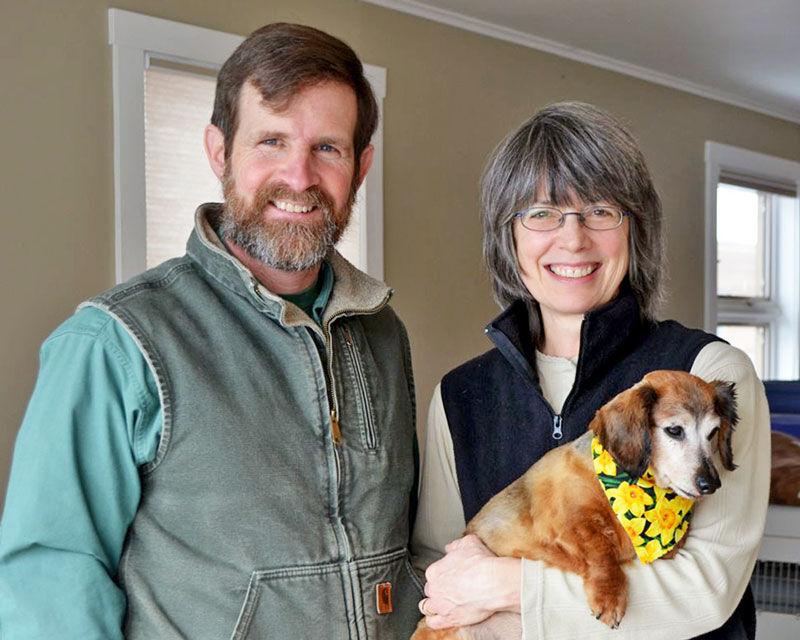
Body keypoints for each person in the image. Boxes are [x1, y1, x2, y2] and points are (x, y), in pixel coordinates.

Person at [0, 23, 423, 639]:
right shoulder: (114, 343)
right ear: (219, 151)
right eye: (271, 141)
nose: (299, 176)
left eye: (326, 148)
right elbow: (50, 588)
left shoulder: (383, 333)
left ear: (361, 167)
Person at [411, 102, 770, 639]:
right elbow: (443, 579)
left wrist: (511, 587)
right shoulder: (460, 397)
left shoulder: (708, 376)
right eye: (541, 212)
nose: (573, 238)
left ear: (635, 231)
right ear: (508, 238)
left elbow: (706, 591)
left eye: (601, 210)